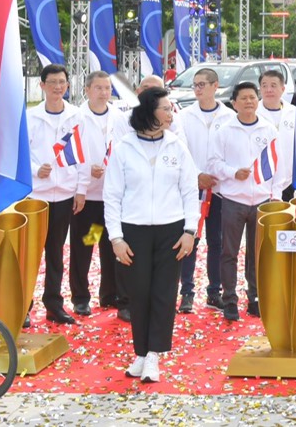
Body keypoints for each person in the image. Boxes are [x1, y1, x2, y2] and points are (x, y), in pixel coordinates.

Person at [106, 86, 198, 384]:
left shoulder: (176, 146)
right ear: (149, 111)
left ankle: (154, 355)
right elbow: (112, 196)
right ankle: (141, 354)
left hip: (171, 229)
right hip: (133, 230)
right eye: (166, 108)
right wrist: (116, 238)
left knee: (163, 292)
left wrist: (190, 231)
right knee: (139, 293)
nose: (171, 113)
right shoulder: (123, 148)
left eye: (172, 109)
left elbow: (189, 190)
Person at [207, 81, 281, 322]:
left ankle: (255, 298)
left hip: (261, 200)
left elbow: (277, 165)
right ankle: (229, 299)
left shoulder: (269, 130)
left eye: (253, 97)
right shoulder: (224, 130)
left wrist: (275, 195)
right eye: (244, 98)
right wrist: (231, 172)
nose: (249, 102)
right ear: (234, 103)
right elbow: (213, 163)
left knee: (257, 253)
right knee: (229, 252)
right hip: (233, 200)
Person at [171, 67, 234, 314]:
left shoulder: (229, 116)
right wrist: (196, 175)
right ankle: (187, 292)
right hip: (192, 187)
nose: (198, 89)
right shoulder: (184, 116)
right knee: (190, 239)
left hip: (220, 188)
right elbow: (181, 149)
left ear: (215, 86)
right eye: (195, 85)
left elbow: (231, 151)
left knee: (217, 241)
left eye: (202, 84)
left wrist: (219, 175)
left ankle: (214, 291)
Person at [27, 63, 86, 324]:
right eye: (52, 82)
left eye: (62, 82)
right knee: (30, 254)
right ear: (42, 85)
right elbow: (19, 155)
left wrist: (80, 190)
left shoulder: (75, 116)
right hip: (35, 196)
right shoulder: (29, 117)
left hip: (63, 194)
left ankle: (53, 304)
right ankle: (23, 305)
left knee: (56, 252)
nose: (58, 87)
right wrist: (34, 170)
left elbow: (82, 156)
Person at [73, 71, 130, 318]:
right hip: (88, 198)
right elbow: (71, 154)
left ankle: (110, 294)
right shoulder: (77, 117)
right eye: (98, 88)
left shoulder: (120, 118)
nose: (104, 93)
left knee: (112, 246)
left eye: (107, 88)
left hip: (113, 198)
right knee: (86, 245)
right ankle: (80, 297)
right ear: (87, 90)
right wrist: (87, 173)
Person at [258, 68, 296, 202]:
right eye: (264, 86)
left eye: (273, 86)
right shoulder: (252, 113)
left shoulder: (294, 112)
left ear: (283, 89)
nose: (268, 90)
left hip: (288, 180)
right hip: (261, 181)